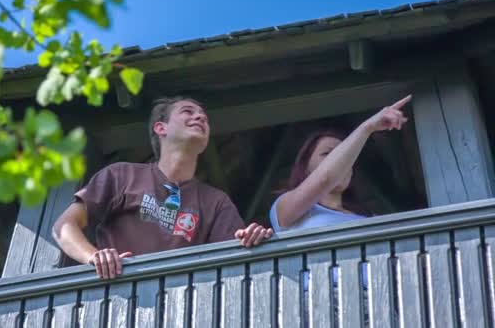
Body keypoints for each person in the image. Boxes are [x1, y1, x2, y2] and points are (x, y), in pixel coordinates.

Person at [53, 96, 273, 279]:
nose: (200, 117)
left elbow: (238, 262)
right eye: (188, 111)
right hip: (118, 299)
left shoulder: (216, 202)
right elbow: (63, 226)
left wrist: (253, 238)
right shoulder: (121, 175)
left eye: (203, 116)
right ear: (161, 127)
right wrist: (94, 256)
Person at [270, 95, 412, 232]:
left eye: (345, 159)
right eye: (327, 154)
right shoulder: (284, 207)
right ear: (306, 168)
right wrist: (367, 128)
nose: (340, 163)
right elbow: (325, 178)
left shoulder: (370, 217)